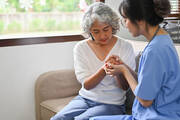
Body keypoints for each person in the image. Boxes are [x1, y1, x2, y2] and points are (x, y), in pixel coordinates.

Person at [90, 0, 180, 120]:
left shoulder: (154, 51)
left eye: (126, 19)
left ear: (140, 20)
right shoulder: (163, 40)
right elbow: (147, 84)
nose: (125, 24)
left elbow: (145, 100)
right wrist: (124, 66)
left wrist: (124, 71)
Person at [50, 2, 136, 120]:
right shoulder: (81, 48)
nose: (102, 35)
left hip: (112, 104)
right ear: (89, 31)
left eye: (106, 29)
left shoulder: (125, 47)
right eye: (96, 31)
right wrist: (104, 68)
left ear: (112, 25)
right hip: (84, 99)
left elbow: (125, 87)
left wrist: (119, 68)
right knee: (57, 118)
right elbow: (87, 85)